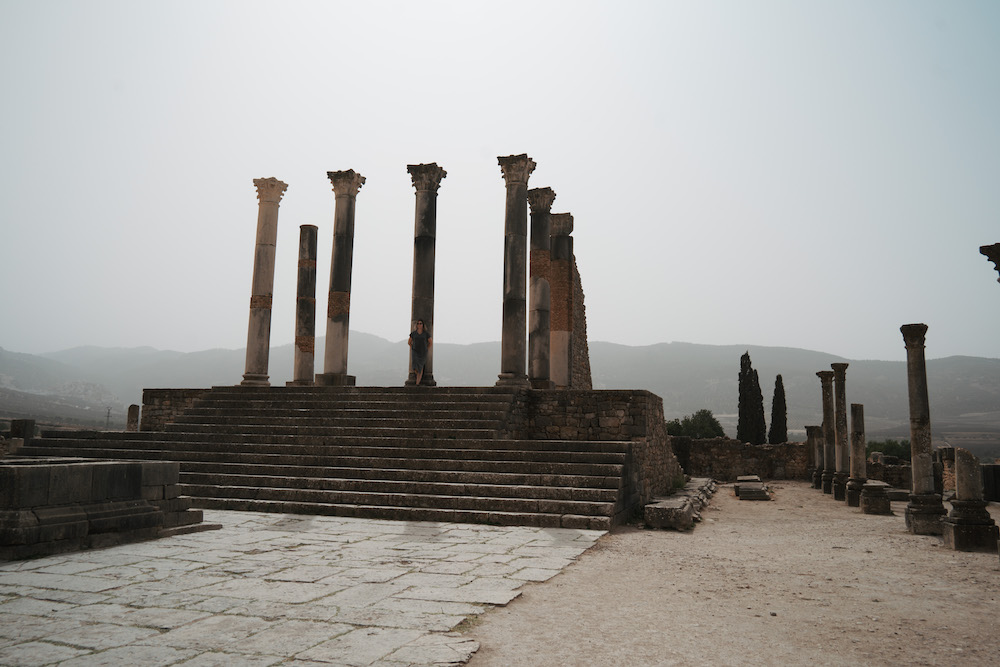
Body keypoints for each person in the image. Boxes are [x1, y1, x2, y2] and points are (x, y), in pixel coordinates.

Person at [408, 319, 432, 386]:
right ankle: (417, 379)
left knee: (420, 367)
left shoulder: (426, 334)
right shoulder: (413, 333)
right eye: (418, 323)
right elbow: (409, 342)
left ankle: (417, 383)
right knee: (415, 366)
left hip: (423, 352)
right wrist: (412, 347)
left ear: (423, 325)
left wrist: (426, 349)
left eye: (420, 323)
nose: (419, 324)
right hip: (415, 352)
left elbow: (430, 342)